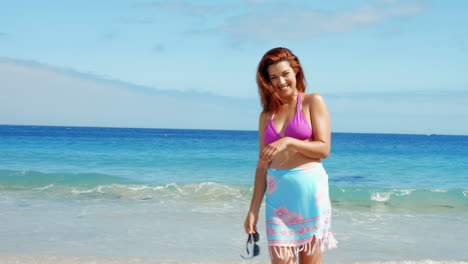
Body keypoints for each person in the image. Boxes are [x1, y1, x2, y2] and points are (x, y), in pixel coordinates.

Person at [244, 47, 337, 264]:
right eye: (273, 77)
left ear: (296, 72)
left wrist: (288, 141)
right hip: (278, 199)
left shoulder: (313, 101)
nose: (281, 81)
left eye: (285, 74)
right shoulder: (266, 116)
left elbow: (324, 149)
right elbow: (261, 166)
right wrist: (252, 210)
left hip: (310, 195)